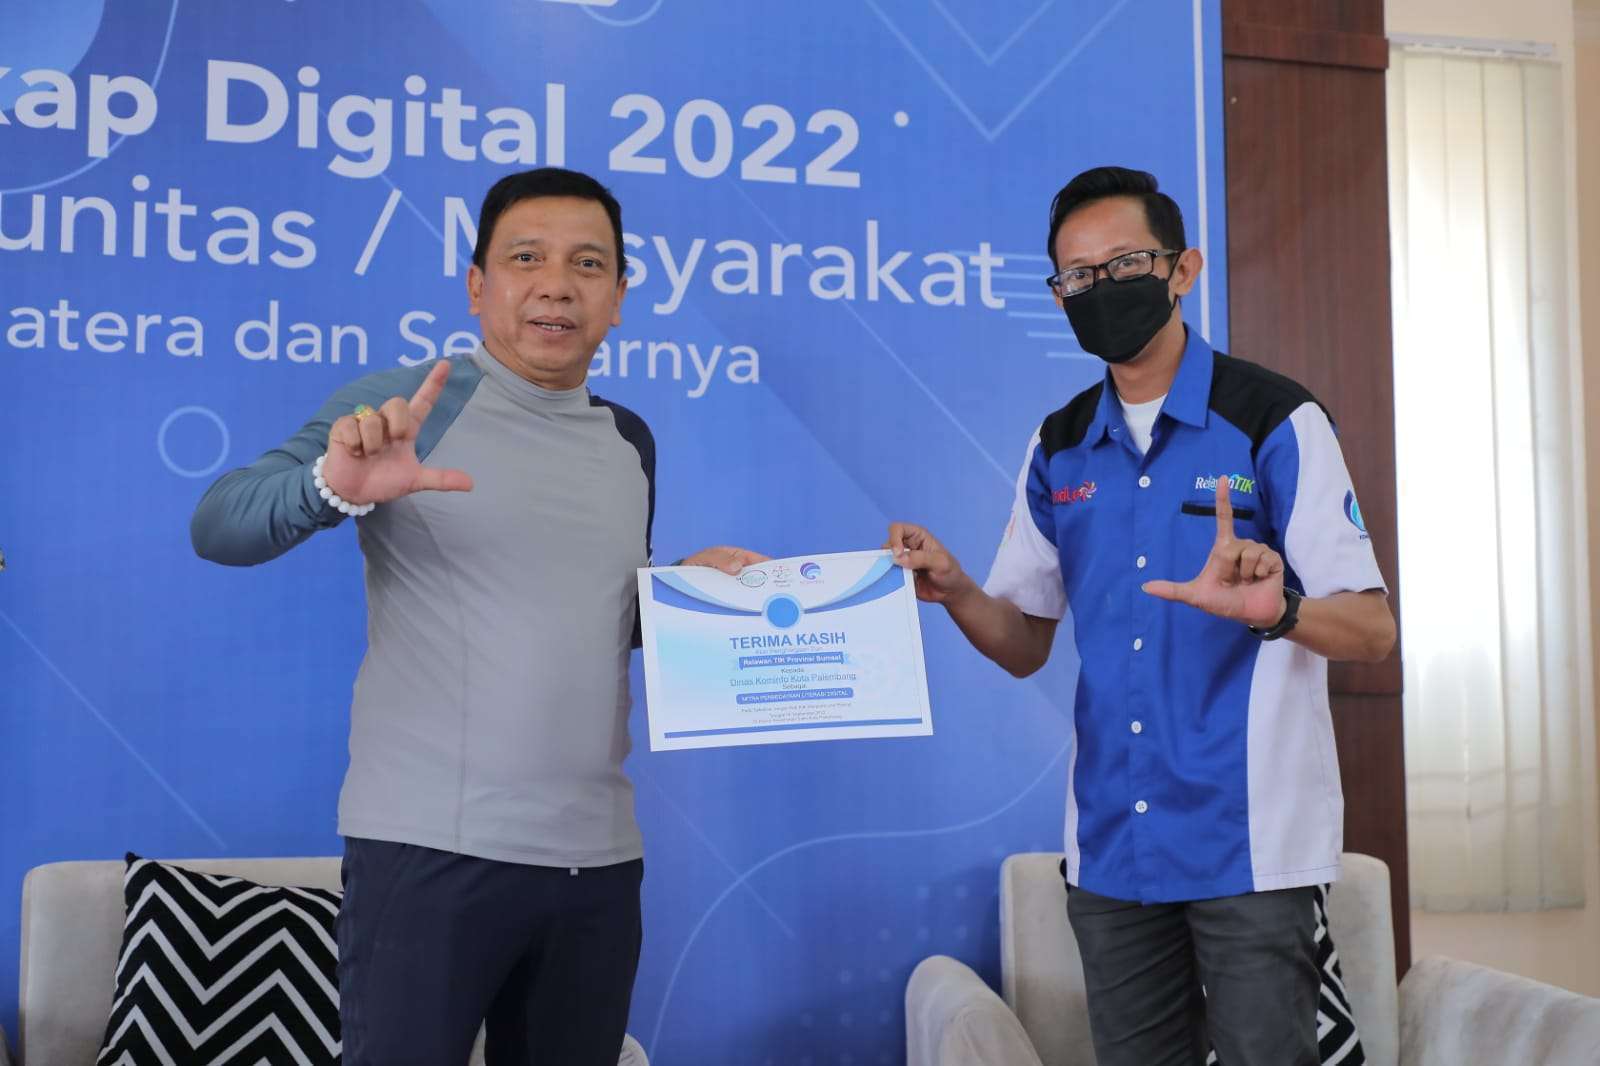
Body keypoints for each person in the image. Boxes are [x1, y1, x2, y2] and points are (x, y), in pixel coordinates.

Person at [192, 166, 765, 1066]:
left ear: (619, 297)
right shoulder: (411, 405)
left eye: (588, 264)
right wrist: (332, 486)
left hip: (598, 860)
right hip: (431, 853)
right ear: (477, 285)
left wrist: (684, 595)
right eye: (526, 258)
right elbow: (220, 525)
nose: (557, 285)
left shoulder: (629, 440)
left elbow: (593, 614)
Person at [887, 166, 1395, 1066]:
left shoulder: (1273, 418)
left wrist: (1276, 610)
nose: (1101, 288)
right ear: (1059, 296)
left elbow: (1371, 631)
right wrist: (958, 589)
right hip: (1113, 848)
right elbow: (1024, 642)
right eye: (1078, 276)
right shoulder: (1059, 443)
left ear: (1182, 269)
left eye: (1125, 264)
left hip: (1251, 843)